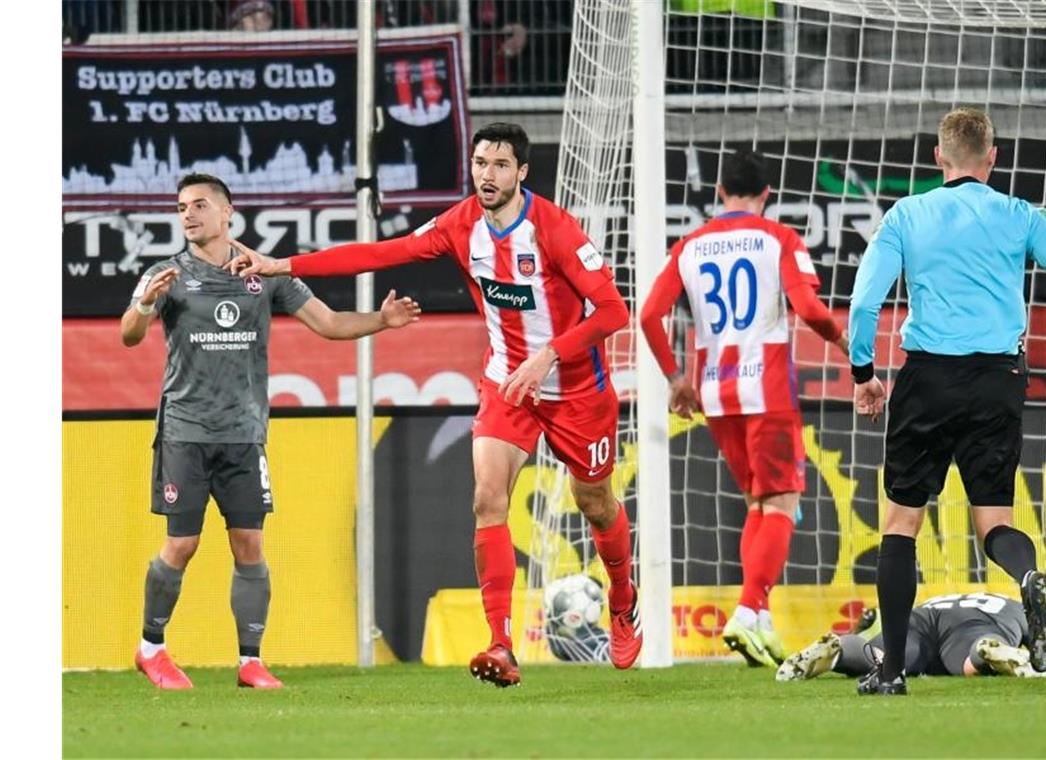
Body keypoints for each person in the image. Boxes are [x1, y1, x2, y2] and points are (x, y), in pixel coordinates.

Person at [225, 123, 642, 687]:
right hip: (507, 384)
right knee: (487, 498)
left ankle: (622, 596)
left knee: (594, 502)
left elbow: (615, 312)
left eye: (499, 165)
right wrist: (284, 265)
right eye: (479, 163)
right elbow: (379, 252)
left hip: (575, 392)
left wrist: (548, 355)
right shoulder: (460, 224)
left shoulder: (556, 230)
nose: (486, 175)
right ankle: (501, 643)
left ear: (522, 173)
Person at [124, 173, 421, 690]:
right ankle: (151, 648)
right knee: (183, 545)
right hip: (185, 432)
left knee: (250, 545)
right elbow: (129, 335)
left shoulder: (265, 274)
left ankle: (251, 662)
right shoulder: (165, 273)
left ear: (227, 213)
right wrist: (147, 303)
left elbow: (327, 324)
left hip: (244, 433)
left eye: (198, 205)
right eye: (180, 207)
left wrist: (382, 319)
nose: (188, 215)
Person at [847, 107, 1046, 695]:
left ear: (938, 158)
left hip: (928, 380)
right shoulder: (1023, 215)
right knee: (995, 521)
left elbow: (864, 304)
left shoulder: (907, 214)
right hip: (999, 378)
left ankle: (892, 670)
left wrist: (864, 375)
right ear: (993, 159)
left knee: (901, 524)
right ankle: (1029, 579)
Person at [639, 150, 849, 668]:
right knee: (782, 501)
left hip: (714, 390)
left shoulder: (689, 246)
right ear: (767, 195)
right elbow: (809, 309)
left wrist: (675, 378)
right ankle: (750, 608)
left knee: (759, 504)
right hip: (767, 387)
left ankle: (759, 618)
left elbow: (648, 315)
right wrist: (846, 343)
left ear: (718, 191)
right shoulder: (779, 239)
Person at [776, 591, 1046, 682]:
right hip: (976, 625)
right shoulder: (1019, 610)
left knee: (884, 658)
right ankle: (986, 649)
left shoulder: (954, 596)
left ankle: (838, 648)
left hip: (920, 617)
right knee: (971, 661)